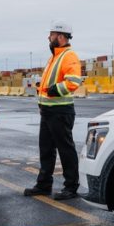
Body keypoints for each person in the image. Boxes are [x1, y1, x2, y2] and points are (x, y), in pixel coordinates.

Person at [24, 20, 83, 200]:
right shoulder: (55, 56)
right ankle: (43, 185)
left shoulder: (68, 55)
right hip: (48, 110)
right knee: (46, 149)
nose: (48, 38)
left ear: (60, 36)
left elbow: (73, 81)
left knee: (66, 150)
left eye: (51, 34)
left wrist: (53, 90)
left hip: (61, 110)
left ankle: (71, 187)